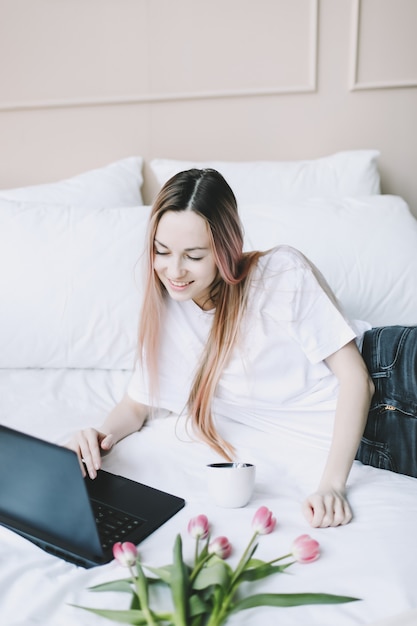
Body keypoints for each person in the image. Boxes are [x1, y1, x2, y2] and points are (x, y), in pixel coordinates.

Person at [68, 167, 396, 529]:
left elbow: (356, 378)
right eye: (162, 251)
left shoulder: (278, 273)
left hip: (393, 373)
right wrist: (99, 438)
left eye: (193, 256)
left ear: (226, 248)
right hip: (379, 439)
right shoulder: (166, 310)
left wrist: (332, 485)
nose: (174, 271)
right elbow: (137, 404)